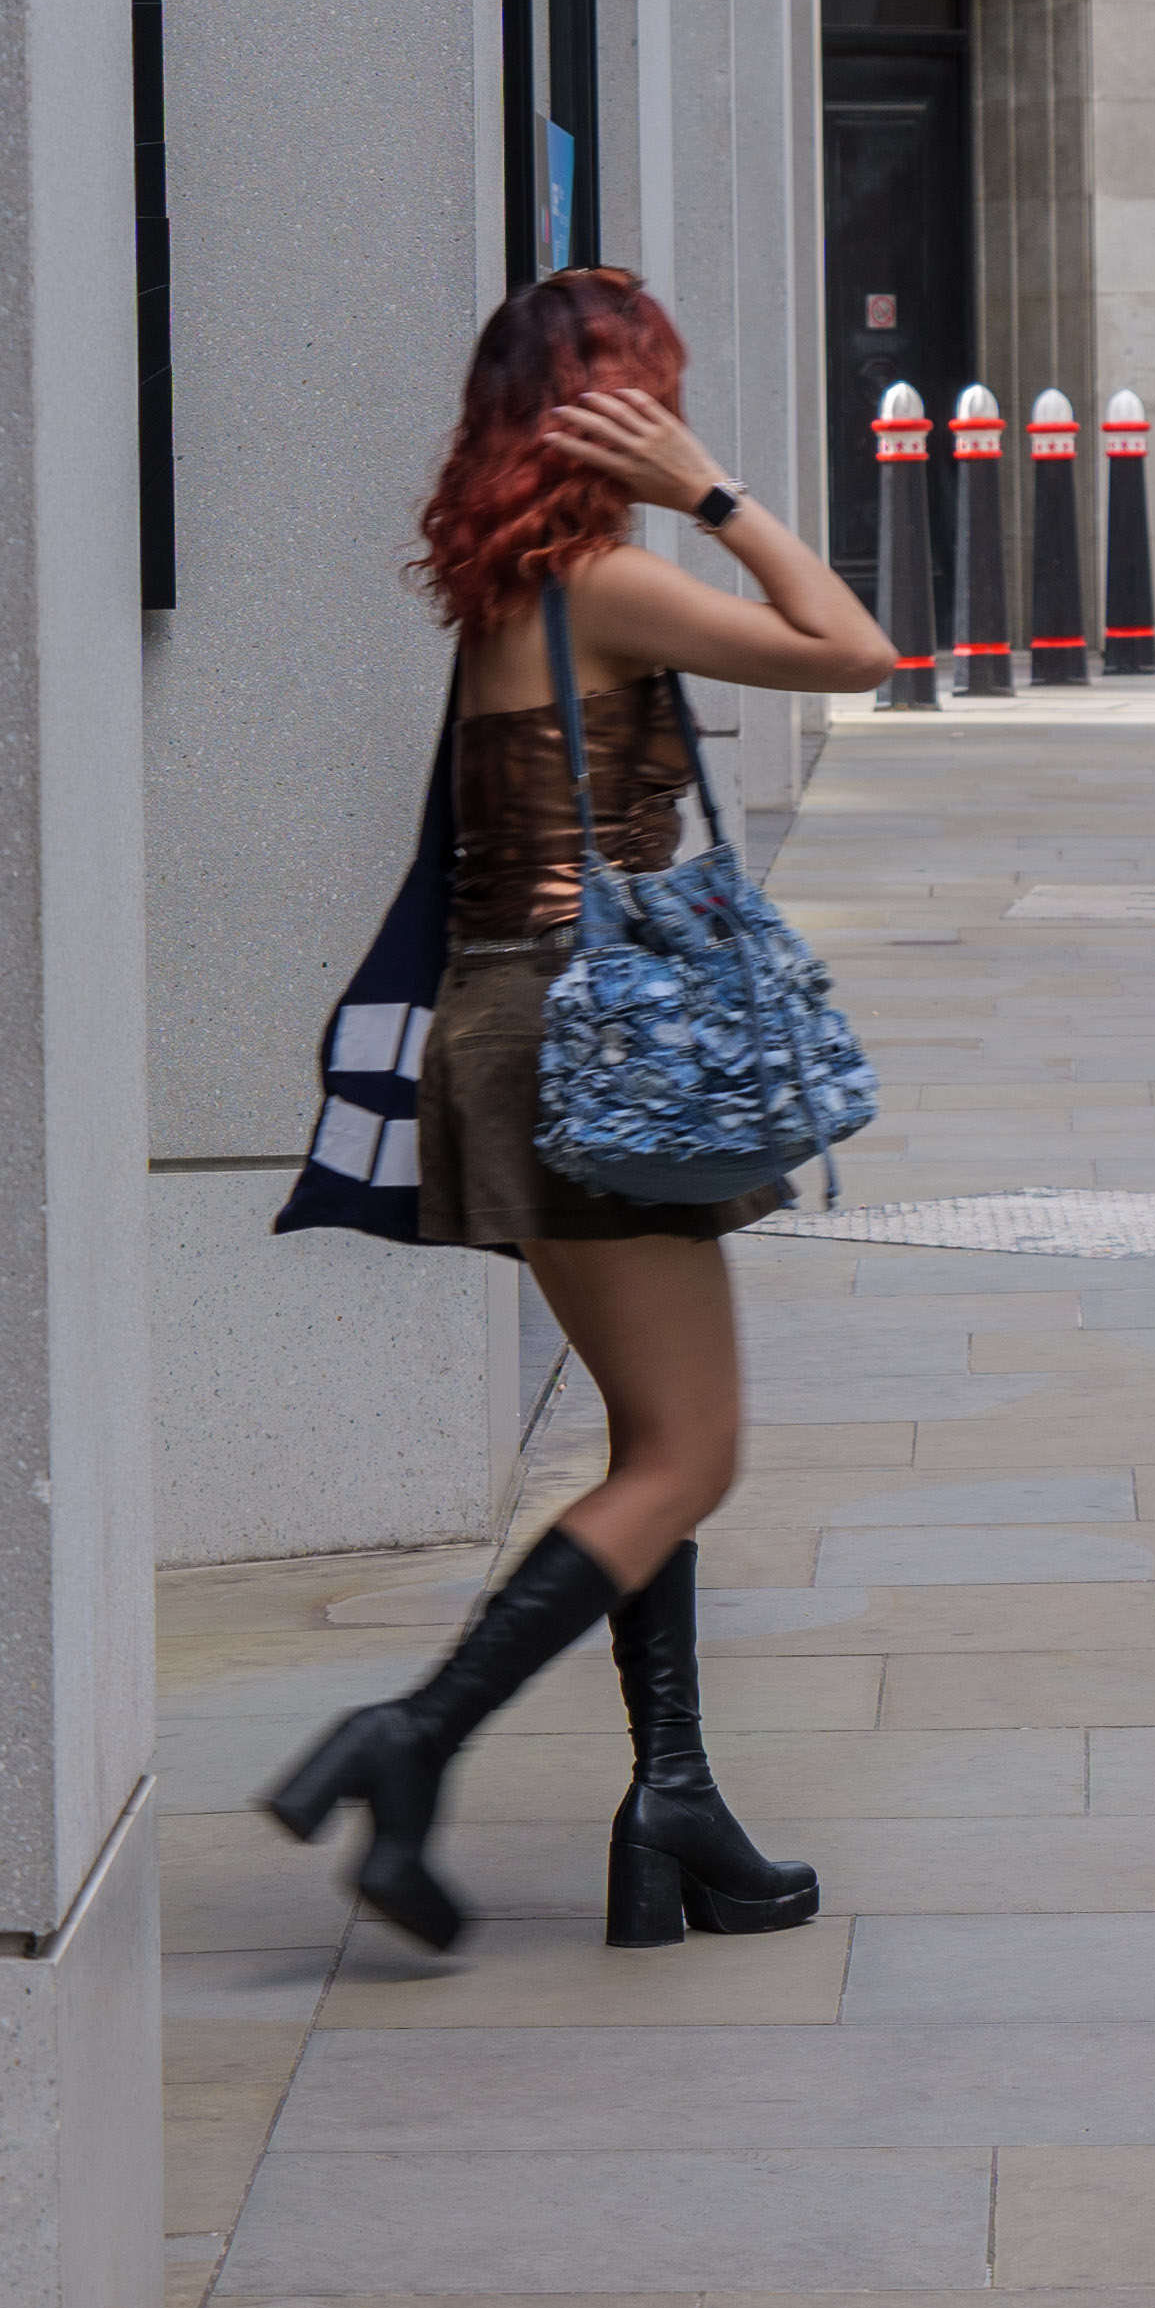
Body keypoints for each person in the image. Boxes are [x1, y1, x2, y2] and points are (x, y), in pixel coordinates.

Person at [266, 269, 895, 1952]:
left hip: (518, 1028)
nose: (672, 420)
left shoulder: (510, 589)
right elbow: (854, 650)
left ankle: (671, 1801)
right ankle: (410, 1740)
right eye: (654, 395)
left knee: (643, 1441)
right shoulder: (608, 582)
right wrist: (718, 497)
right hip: (596, 1042)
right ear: (616, 414)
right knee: (694, 1455)